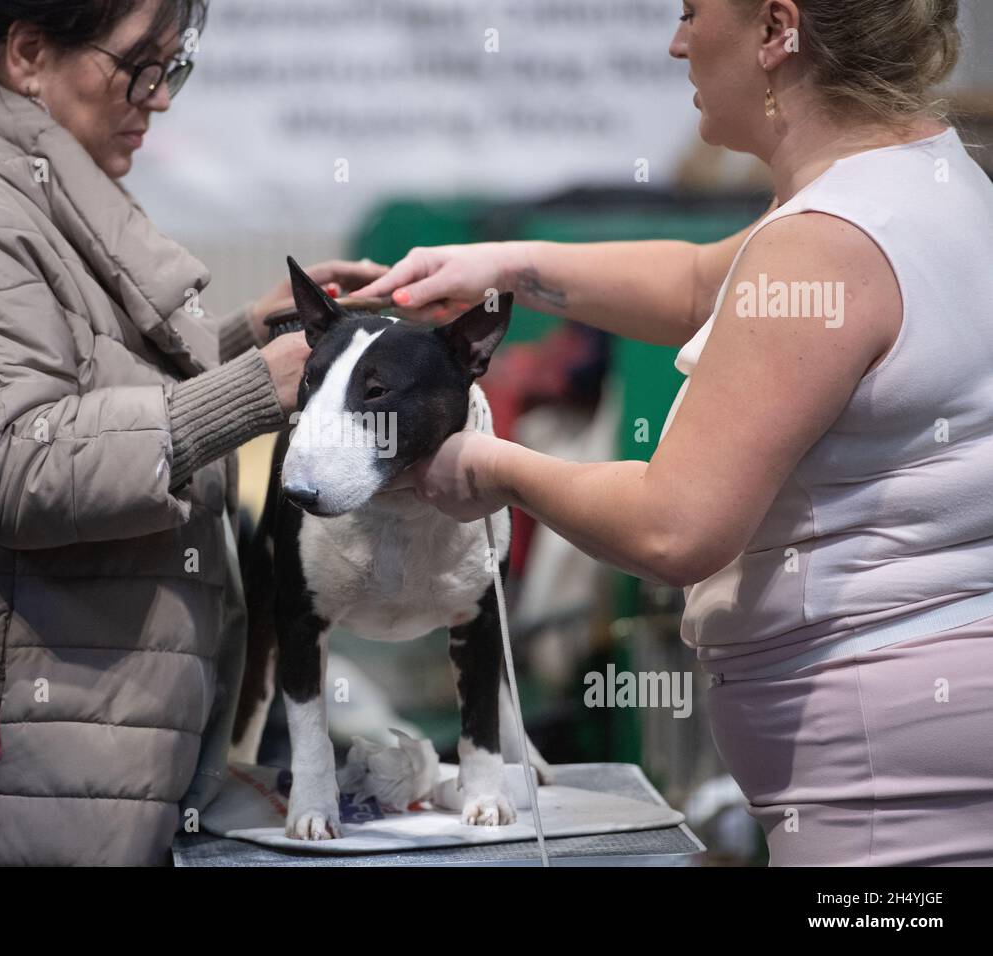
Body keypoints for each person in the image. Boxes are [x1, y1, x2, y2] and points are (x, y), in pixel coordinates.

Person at [360, 0, 993, 865]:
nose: (677, 41)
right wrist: (505, 268)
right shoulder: (923, 174)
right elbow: (701, 284)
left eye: (693, 12)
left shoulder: (826, 243)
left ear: (777, 31)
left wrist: (488, 468)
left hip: (880, 769)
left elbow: (676, 524)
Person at [0, 0, 384, 865]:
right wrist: (260, 389)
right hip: (3, 797)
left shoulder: (18, 183)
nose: (161, 97)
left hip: (52, 772)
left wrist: (243, 338)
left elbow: (76, 377)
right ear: (29, 51)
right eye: (141, 65)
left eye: (173, 66)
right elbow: (8, 458)